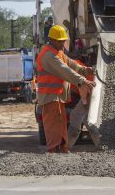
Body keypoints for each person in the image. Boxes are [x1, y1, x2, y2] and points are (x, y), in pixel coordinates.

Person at [36, 25, 95, 153]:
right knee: (53, 123)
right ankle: (52, 150)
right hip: (50, 96)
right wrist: (82, 80)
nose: (62, 43)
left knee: (61, 123)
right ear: (51, 40)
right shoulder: (48, 55)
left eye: (63, 40)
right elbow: (65, 71)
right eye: (60, 41)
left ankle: (62, 148)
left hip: (57, 96)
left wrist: (85, 70)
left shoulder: (58, 53)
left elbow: (71, 64)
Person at [67, 60, 101, 149]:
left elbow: (84, 90)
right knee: (87, 120)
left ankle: (67, 147)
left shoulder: (70, 71)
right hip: (92, 89)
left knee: (76, 116)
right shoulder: (74, 64)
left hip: (90, 91)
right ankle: (101, 145)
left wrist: (85, 101)